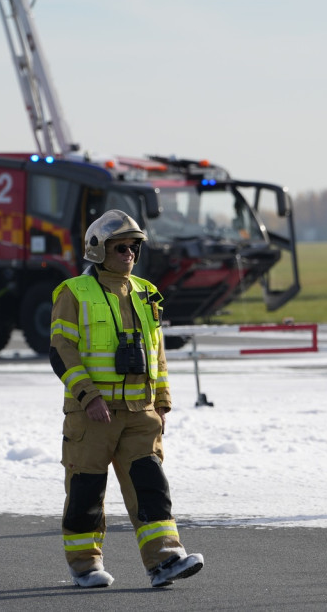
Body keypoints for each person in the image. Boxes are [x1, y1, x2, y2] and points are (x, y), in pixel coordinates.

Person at [49, 209, 203, 589]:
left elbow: (157, 352)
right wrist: (88, 396)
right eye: (121, 247)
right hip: (92, 416)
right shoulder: (74, 293)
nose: (130, 253)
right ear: (99, 249)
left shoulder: (146, 293)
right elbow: (61, 350)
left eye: (134, 246)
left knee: (151, 487)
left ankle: (165, 559)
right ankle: (85, 566)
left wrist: (162, 402)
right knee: (86, 490)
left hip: (140, 413)